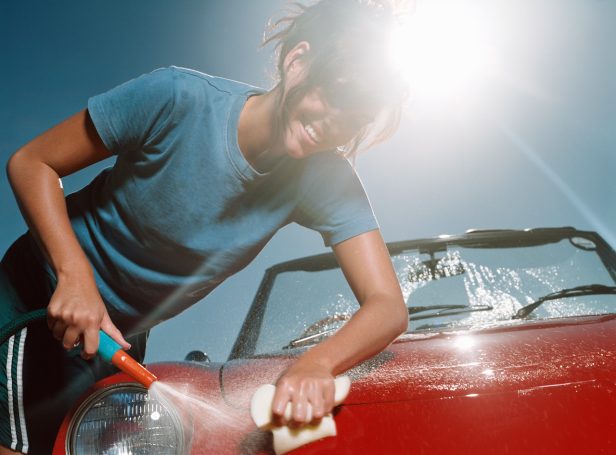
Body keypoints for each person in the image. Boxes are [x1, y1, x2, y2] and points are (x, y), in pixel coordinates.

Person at [0, 0, 409, 453]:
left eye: (354, 121)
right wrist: (75, 277)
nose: (333, 126)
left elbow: (387, 306)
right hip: (38, 293)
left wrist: (318, 363)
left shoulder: (324, 177)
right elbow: (31, 162)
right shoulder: (175, 97)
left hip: (117, 334)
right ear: (298, 61)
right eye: (334, 96)